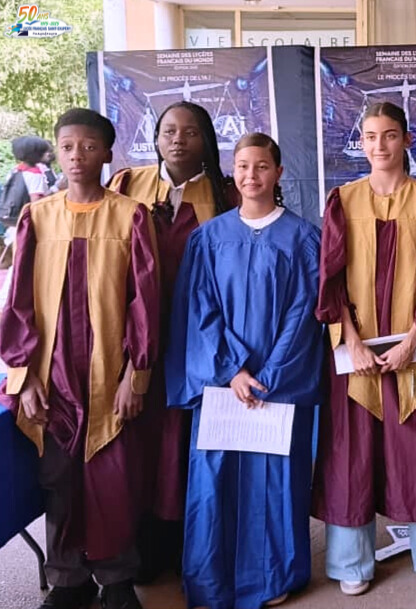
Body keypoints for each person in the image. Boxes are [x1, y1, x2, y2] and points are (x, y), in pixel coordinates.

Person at [311, 102, 416, 597]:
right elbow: (331, 278)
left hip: (414, 348)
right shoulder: (343, 200)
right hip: (356, 351)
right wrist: (351, 340)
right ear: (361, 142)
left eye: (388, 135)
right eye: (370, 136)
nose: (379, 145)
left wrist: (414, 338)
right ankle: (351, 562)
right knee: (350, 452)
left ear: (406, 140)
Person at [0, 108, 160, 609]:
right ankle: (68, 579)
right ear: (57, 151)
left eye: (89, 147)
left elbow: (144, 302)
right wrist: (23, 376)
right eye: (67, 147)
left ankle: (117, 578)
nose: (77, 156)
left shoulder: (130, 215)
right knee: (58, 478)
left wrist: (136, 375)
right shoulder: (38, 217)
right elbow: (18, 302)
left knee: (114, 478)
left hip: (109, 371)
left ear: (107, 153)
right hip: (52, 375)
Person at [166, 133, 322, 609]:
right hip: (222, 384)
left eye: (261, 166)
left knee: (274, 481)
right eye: (242, 166)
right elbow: (199, 309)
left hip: (278, 384)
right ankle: (212, 582)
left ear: (278, 173)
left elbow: (304, 313)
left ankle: (273, 578)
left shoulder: (303, 238)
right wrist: (233, 369)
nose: (251, 175)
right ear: (232, 172)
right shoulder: (209, 238)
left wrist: (270, 373)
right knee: (214, 482)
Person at [108, 101, 235, 582]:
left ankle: (190, 546)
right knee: (140, 441)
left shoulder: (224, 192)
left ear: (207, 140)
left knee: (185, 441)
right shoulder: (128, 184)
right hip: (136, 335)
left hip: (196, 339)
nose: (177, 139)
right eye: (168, 131)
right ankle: (139, 546)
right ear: (156, 137)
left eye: (190, 132)